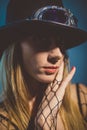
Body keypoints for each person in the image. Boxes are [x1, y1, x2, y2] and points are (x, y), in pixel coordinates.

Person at [0, 0, 87, 130]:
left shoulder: (81, 98)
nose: (57, 55)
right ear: (16, 48)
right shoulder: (3, 121)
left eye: (60, 42)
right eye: (41, 39)